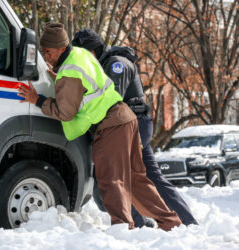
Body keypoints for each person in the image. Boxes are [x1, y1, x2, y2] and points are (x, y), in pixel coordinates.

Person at [18, 22, 182, 231]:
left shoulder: (70, 71)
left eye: (48, 52)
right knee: (136, 180)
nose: (46, 56)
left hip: (110, 125)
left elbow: (65, 112)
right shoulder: (80, 54)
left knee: (110, 180)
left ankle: (122, 227)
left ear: (60, 48)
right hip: (126, 119)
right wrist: (58, 77)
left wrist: (37, 100)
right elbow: (84, 83)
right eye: (44, 52)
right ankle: (171, 223)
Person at [71, 28, 198, 227]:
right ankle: (182, 223)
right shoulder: (106, 64)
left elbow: (109, 103)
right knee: (148, 177)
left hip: (129, 125)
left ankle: (136, 224)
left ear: (91, 52)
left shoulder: (116, 65)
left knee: (120, 176)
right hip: (134, 125)